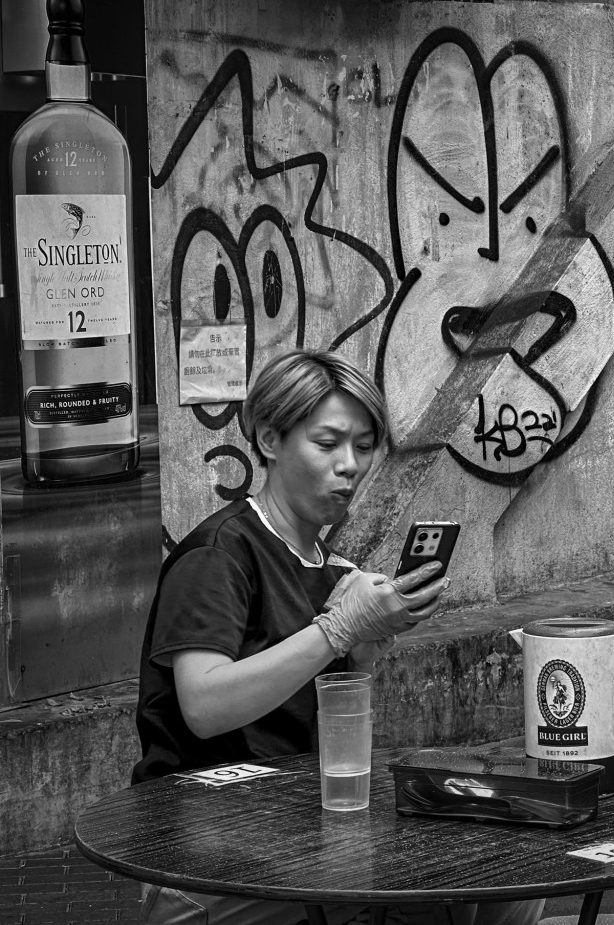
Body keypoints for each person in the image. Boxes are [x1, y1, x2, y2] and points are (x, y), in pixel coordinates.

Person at [132, 349, 544, 925]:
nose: (349, 465)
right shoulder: (220, 554)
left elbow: (325, 740)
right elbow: (203, 706)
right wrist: (337, 629)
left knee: (513, 872)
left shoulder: (333, 571)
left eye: (364, 446)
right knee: (434, 885)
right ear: (270, 439)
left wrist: (361, 657)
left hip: (303, 822)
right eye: (327, 443)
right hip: (203, 847)